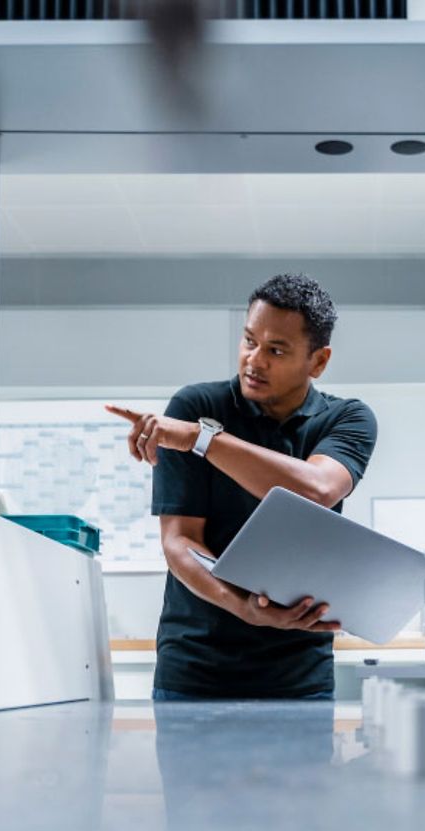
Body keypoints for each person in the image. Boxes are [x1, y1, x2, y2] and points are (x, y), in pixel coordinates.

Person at [107, 274, 376, 700]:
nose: (254, 360)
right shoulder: (196, 407)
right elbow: (179, 542)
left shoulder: (347, 419)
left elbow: (318, 489)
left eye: (276, 350)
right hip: (195, 671)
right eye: (249, 340)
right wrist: (243, 607)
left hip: (298, 677)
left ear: (318, 362)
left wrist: (201, 440)